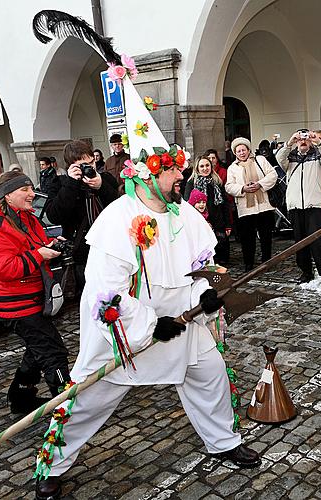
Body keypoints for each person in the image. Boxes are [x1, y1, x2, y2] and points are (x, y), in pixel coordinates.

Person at [34, 143, 260, 499]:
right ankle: (52, 466)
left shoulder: (185, 213)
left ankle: (223, 442)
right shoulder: (117, 218)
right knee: (87, 398)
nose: (181, 176)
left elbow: (202, 267)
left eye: (180, 169)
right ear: (149, 175)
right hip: (124, 333)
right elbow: (105, 292)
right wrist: (152, 326)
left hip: (182, 321)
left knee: (211, 374)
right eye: (173, 170)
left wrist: (202, 296)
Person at [0, 171, 71, 414]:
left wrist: (48, 244)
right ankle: (65, 406)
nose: (32, 194)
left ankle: (21, 397)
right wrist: (39, 255)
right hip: (16, 305)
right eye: (24, 190)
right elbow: (4, 268)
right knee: (52, 351)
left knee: (36, 348)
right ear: (8, 196)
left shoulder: (24, 217)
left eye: (31, 188)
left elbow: (29, 245)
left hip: (30, 297)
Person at [44, 140, 119, 295]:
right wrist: (71, 184)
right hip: (82, 254)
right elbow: (54, 216)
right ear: (70, 166)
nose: (89, 168)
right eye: (82, 165)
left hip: (111, 248)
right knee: (89, 298)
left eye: (91, 163)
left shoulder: (106, 179)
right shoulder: (59, 184)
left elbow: (120, 209)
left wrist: (101, 186)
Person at [277, 129, 321, 286]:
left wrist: (319, 142)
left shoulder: (318, 156)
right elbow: (278, 158)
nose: (303, 142)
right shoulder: (290, 158)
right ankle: (306, 272)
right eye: (300, 139)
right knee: (300, 242)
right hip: (295, 205)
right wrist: (289, 141)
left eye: (306, 139)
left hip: (314, 204)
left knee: (318, 241)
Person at [225, 137, 277, 271]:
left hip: (264, 205)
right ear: (235, 153)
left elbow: (273, 175)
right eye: (238, 151)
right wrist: (243, 188)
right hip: (246, 209)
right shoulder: (232, 168)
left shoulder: (260, 160)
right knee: (247, 238)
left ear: (248, 150)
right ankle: (249, 263)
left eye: (243, 150)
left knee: (266, 236)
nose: (242, 153)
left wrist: (259, 184)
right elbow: (229, 186)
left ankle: (267, 261)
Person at [184, 155, 232, 265]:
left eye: (207, 165)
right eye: (202, 166)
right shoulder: (191, 183)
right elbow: (188, 206)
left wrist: (228, 224)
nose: (205, 168)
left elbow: (225, 205)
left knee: (221, 257)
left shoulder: (217, 182)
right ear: (197, 168)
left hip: (218, 222)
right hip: (201, 223)